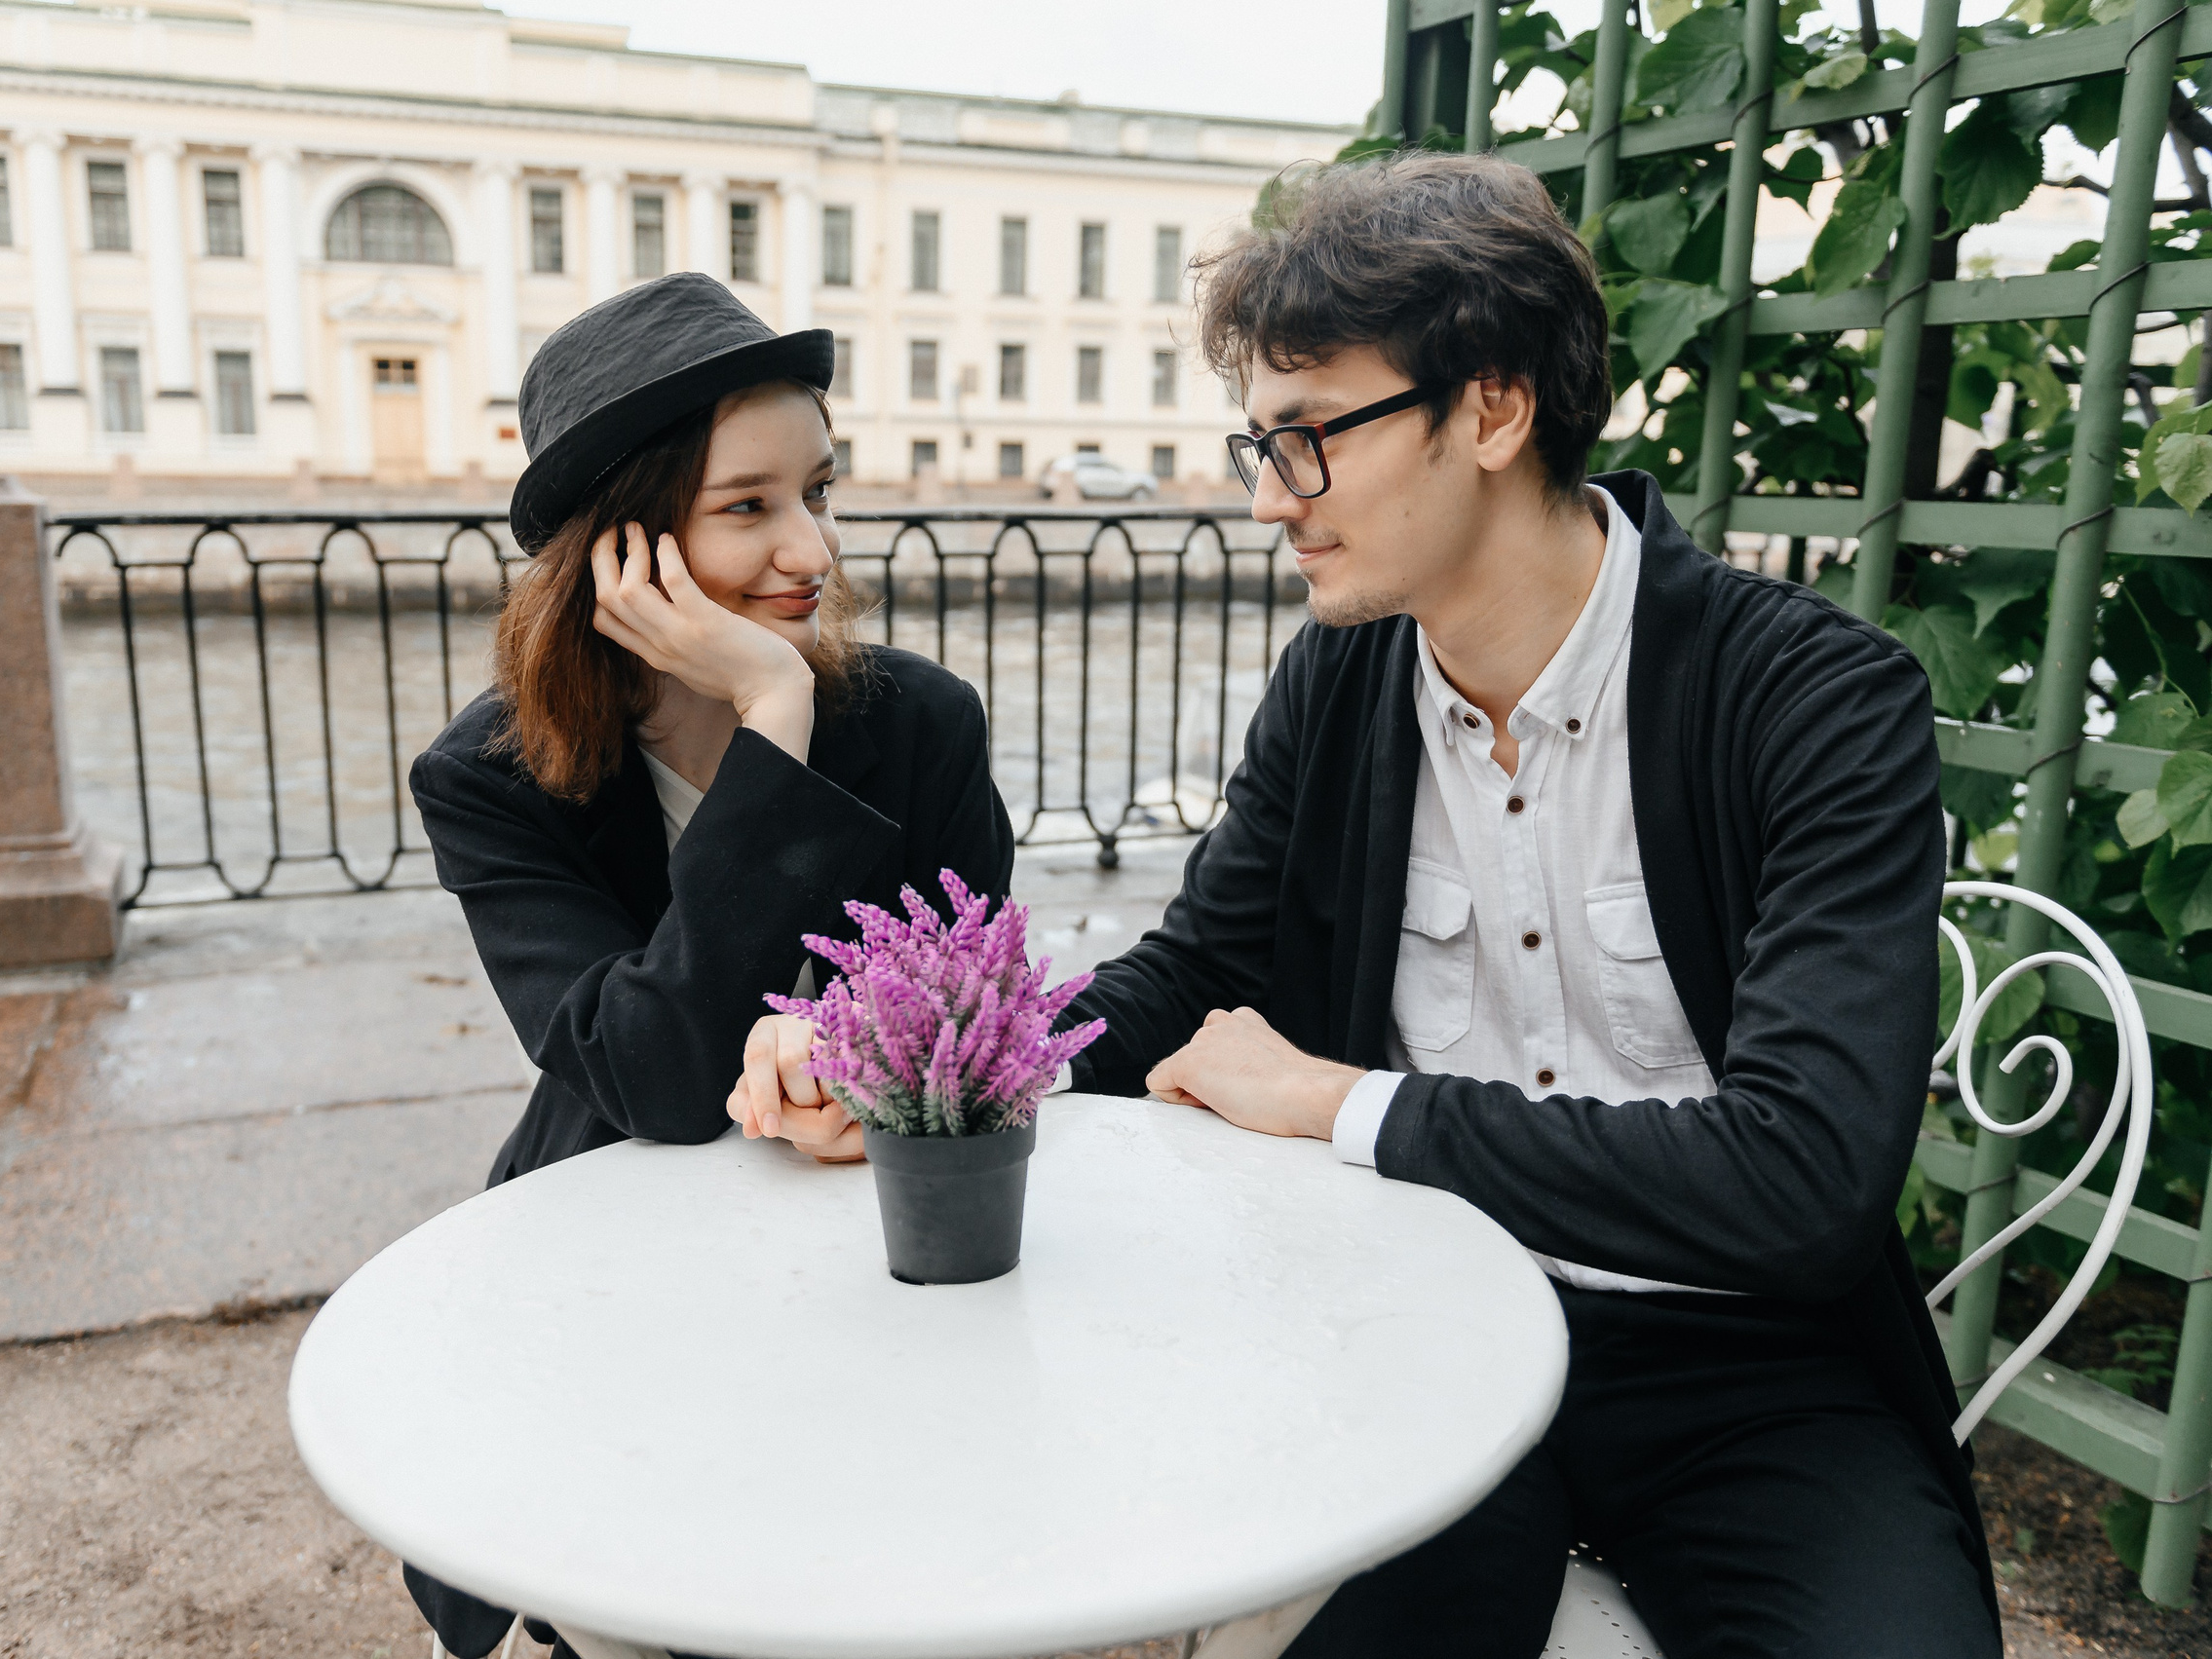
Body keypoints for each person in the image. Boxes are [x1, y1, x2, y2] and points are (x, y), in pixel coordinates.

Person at [735, 153, 1997, 1656]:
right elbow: (1199, 969)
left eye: (1311, 438)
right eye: (1262, 444)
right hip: (1412, 1329)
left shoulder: (1811, 700)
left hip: (1751, 1374)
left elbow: (1800, 1183)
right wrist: (924, 1054)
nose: (1271, 500)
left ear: (1494, 406)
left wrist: (1345, 1105)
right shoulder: (1342, 679)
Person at [404, 272, 1013, 1659]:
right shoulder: (494, 779)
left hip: (874, 1231)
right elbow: (657, 1076)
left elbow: (971, 1010)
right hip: (615, 1239)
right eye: (749, 507)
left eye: (822, 489)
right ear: (621, 552)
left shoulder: (920, 724)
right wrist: (773, 718)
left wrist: (858, 1068)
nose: (814, 547)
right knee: (639, 1601)